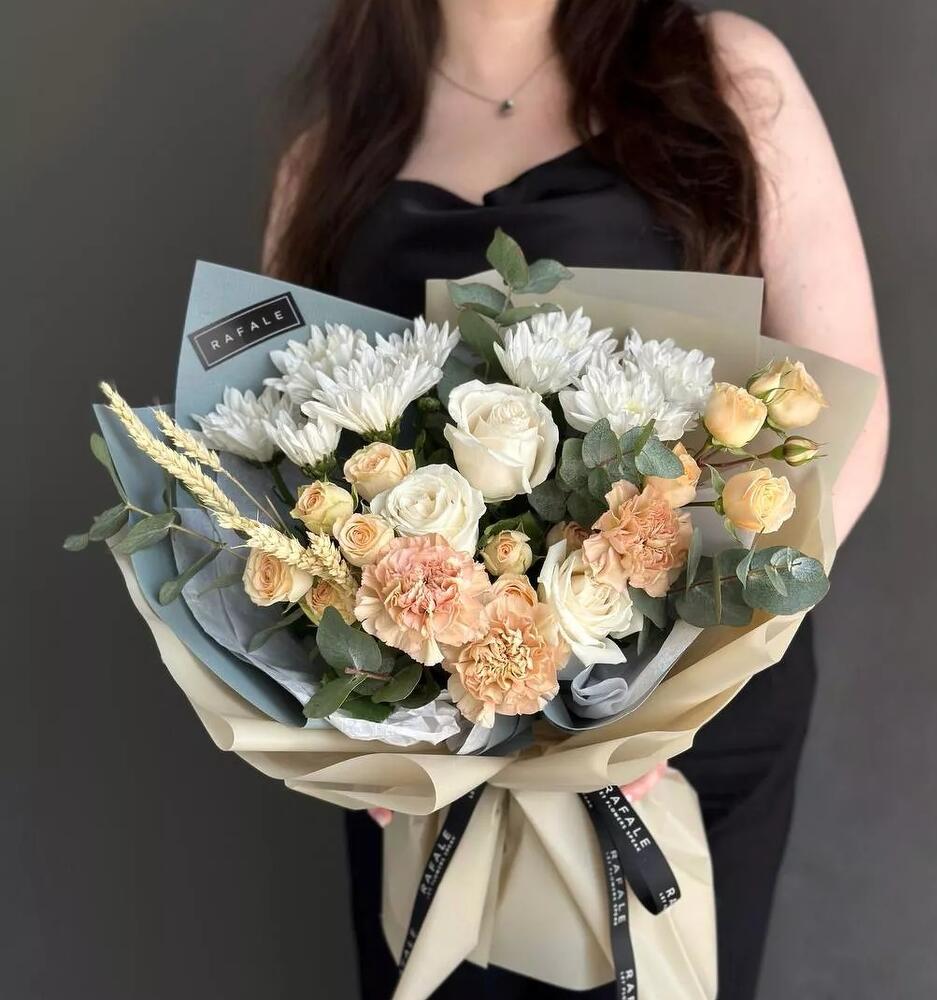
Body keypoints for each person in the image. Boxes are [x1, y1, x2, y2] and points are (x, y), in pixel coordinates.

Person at [263, 2, 889, 997]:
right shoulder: (325, 153)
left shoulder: (721, 70)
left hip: (687, 723)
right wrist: (371, 734)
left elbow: (845, 416)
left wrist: (661, 702)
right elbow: (276, 460)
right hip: (433, 747)